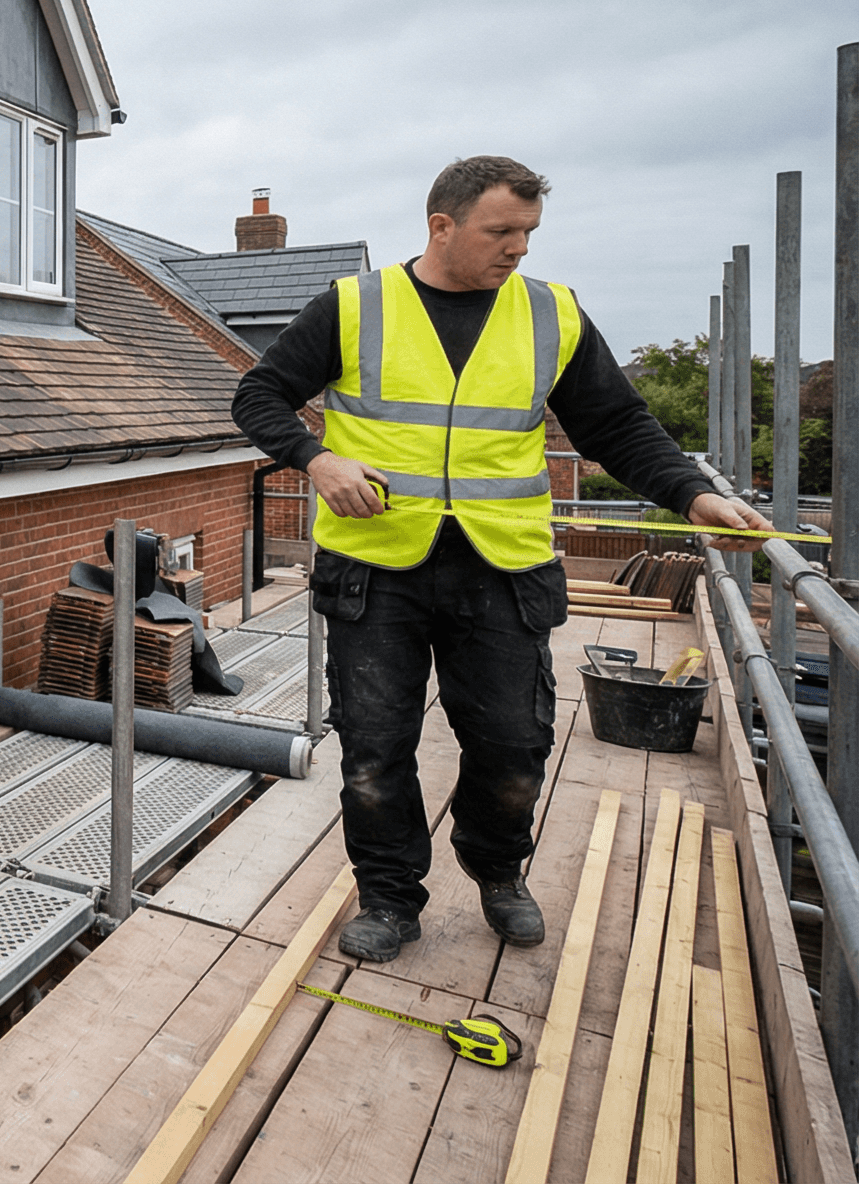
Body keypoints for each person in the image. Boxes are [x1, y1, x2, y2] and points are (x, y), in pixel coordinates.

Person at [232, 157, 766, 963]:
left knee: (515, 743)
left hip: (503, 570)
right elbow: (257, 396)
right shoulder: (356, 304)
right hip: (375, 570)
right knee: (375, 749)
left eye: (529, 232)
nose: (519, 248)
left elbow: (618, 426)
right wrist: (318, 459)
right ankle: (389, 895)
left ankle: (497, 869)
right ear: (441, 226)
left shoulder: (552, 314)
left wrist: (693, 496)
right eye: (502, 231)